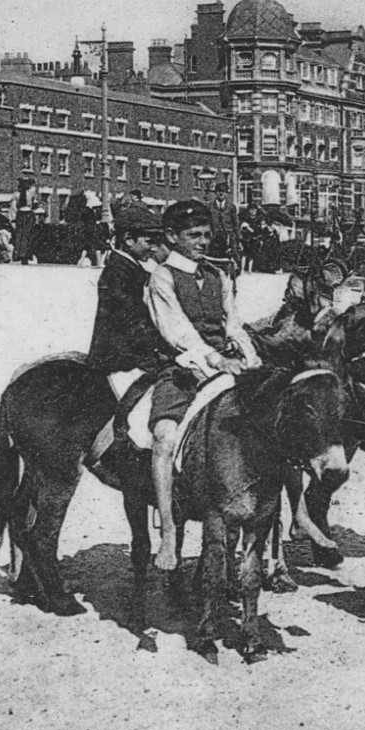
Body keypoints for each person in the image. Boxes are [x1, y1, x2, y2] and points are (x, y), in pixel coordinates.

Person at [145, 199, 261, 571]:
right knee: (164, 437)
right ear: (171, 236)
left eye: (207, 235)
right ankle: (168, 533)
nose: (202, 242)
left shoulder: (218, 276)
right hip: (180, 371)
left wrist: (250, 358)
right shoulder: (162, 277)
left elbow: (233, 324)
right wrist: (214, 359)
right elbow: (177, 330)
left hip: (223, 366)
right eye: (194, 235)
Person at [85, 201, 169, 462]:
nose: (154, 248)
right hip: (118, 354)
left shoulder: (132, 268)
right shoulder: (118, 272)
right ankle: (121, 438)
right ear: (128, 239)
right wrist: (159, 348)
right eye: (148, 241)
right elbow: (131, 319)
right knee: (149, 386)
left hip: (131, 347)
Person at [12, 179, 39, 264]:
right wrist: (13, 219)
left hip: (27, 214)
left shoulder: (30, 194)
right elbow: (13, 207)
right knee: (21, 234)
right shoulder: (17, 195)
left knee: (26, 234)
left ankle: (25, 255)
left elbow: (35, 205)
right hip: (21, 214)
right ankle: (20, 255)